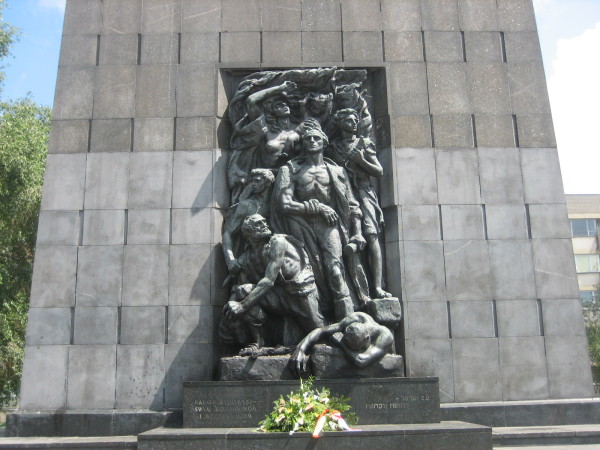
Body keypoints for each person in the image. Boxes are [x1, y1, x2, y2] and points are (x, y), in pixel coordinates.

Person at [271, 127, 369, 320]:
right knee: (309, 272)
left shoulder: (337, 171)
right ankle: (317, 320)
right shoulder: (289, 169)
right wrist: (315, 208)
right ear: (303, 144)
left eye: (316, 138)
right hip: (299, 223)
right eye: (308, 139)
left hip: (329, 225)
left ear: (324, 142)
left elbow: (352, 204)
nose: (312, 141)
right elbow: (283, 203)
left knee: (335, 270)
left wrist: (357, 233)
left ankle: (347, 320)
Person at [221, 214, 325, 351]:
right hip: (278, 295)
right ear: (249, 232)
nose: (265, 224)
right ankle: (258, 342)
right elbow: (241, 284)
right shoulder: (248, 255)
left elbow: (268, 281)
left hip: (299, 294)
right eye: (259, 223)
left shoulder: (277, 242)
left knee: (320, 335)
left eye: (264, 221)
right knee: (242, 290)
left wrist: (242, 306)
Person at [328, 108, 391, 299]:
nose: (353, 122)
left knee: (371, 236)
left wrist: (361, 160)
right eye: (348, 119)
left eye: (355, 119)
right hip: (341, 194)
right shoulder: (333, 147)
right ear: (340, 124)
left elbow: (378, 171)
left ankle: (377, 287)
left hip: (363, 191)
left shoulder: (364, 143)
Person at [228, 81, 301, 203]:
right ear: (272, 111)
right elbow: (251, 100)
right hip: (263, 181)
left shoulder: (299, 130)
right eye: (278, 105)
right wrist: (279, 88)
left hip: (290, 181)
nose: (284, 106)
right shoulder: (265, 128)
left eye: (285, 104)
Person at [290, 312, 395, 376]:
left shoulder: (385, 337)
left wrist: (341, 344)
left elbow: (362, 360)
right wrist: (301, 349)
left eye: (354, 348)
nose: (352, 350)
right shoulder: (355, 319)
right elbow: (321, 331)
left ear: (367, 339)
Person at [222, 168, 275, 276]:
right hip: (252, 258)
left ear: (268, 183)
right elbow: (228, 232)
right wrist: (230, 260)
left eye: (258, 181)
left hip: (275, 253)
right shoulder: (247, 205)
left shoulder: (276, 203)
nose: (253, 184)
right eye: (252, 181)